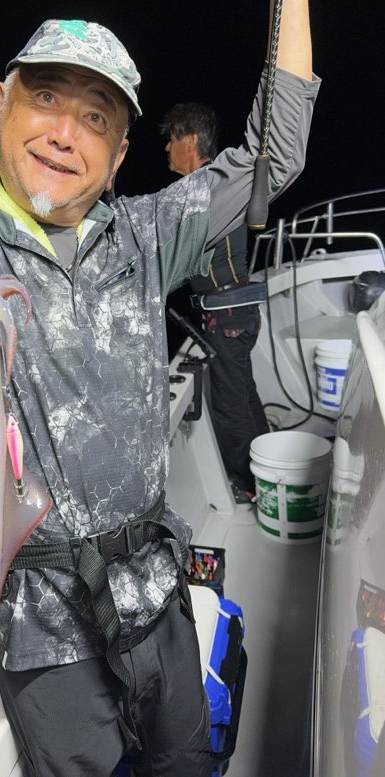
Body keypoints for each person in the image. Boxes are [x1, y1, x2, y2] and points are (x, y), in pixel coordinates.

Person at [0, 3, 318, 777]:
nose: (65, 133)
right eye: (45, 97)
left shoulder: (148, 235)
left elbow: (274, 159)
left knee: (185, 775)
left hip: (157, 595)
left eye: (97, 116)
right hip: (42, 637)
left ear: (118, 158)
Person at [161, 103, 271, 502]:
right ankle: (267, 466)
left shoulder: (206, 187)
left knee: (229, 404)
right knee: (243, 391)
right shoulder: (212, 186)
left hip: (226, 315)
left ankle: (252, 484)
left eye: (172, 139)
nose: (167, 148)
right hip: (234, 312)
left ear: (190, 141)